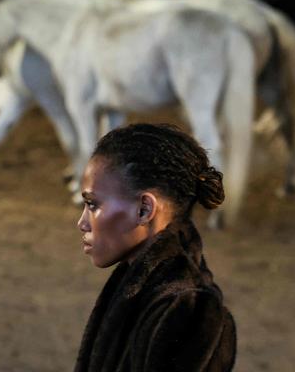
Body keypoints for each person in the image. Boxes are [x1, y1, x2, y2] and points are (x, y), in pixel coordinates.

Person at [75, 123, 237, 372]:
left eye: (93, 205)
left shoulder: (186, 311)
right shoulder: (144, 289)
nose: (82, 223)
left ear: (144, 209)